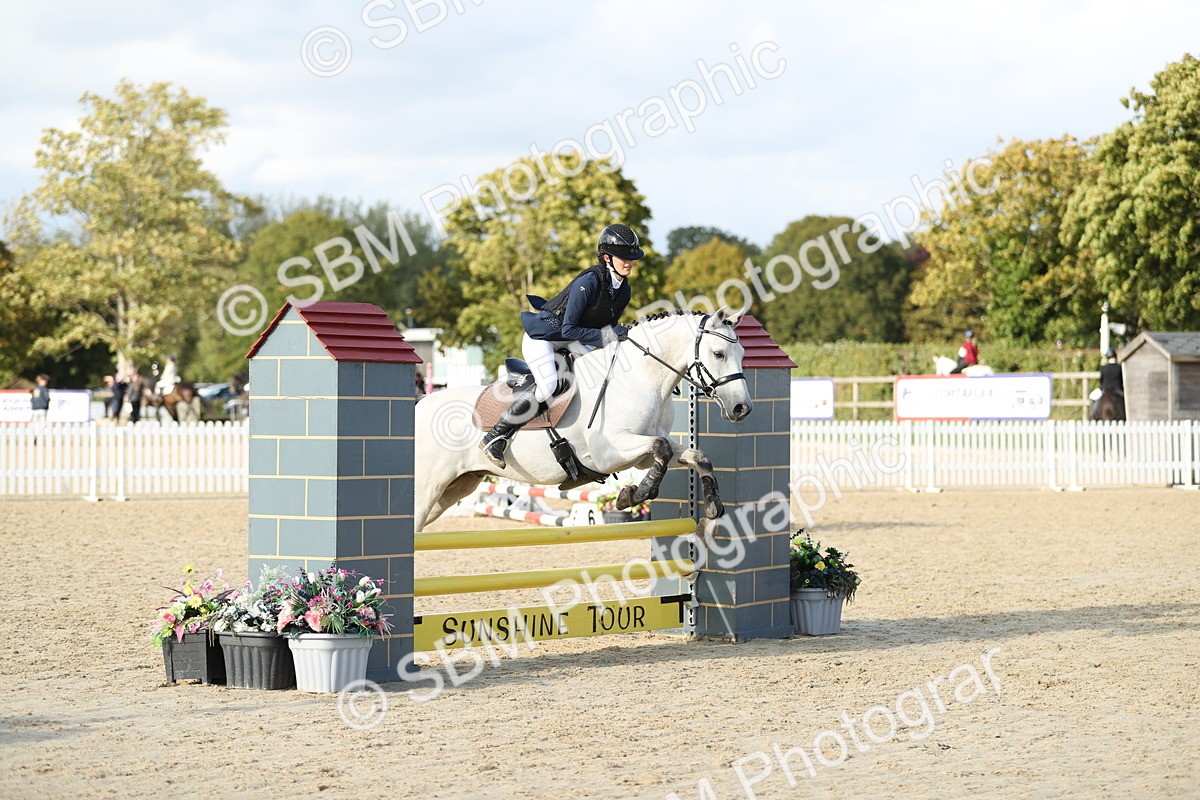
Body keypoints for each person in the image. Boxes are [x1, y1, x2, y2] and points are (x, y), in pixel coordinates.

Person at [479, 223, 644, 468]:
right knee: (548, 386)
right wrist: (609, 336)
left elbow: (604, 331)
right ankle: (495, 437)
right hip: (545, 337)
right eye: (624, 257)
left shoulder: (624, 290)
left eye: (632, 258)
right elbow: (569, 329)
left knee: (599, 374)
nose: (629, 262)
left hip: (572, 340)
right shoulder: (588, 281)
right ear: (607, 257)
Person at [30, 374, 50, 442]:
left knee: (35, 423)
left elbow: (32, 399)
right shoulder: (44, 389)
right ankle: (39, 436)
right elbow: (46, 398)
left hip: (35, 408)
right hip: (42, 408)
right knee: (43, 423)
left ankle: (36, 435)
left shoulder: (35, 388)